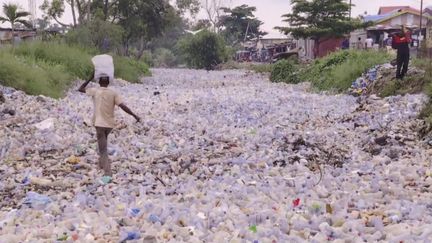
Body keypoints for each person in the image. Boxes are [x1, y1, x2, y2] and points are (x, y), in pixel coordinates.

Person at [78, 73, 140, 176]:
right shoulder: (113, 93)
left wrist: (90, 78)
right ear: (108, 82)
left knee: (103, 150)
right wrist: (134, 115)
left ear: (99, 82)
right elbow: (123, 106)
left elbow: (80, 89)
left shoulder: (95, 91)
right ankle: (100, 165)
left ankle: (108, 173)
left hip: (99, 124)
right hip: (109, 125)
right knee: (103, 143)